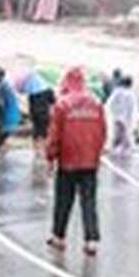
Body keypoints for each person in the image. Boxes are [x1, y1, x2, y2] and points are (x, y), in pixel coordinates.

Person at [46, 67, 108, 257]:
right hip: (90, 161)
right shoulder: (96, 103)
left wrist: (51, 157)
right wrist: (97, 155)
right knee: (89, 201)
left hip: (68, 160)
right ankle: (91, 240)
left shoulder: (62, 105)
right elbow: (103, 133)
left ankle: (59, 236)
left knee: (64, 199)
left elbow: (55, 135)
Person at [105, 75, 139, 158]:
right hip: (127, 117)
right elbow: (133, 107)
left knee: (117, 133)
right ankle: (124, 149)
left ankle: (114, 148)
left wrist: (113, 112)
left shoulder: (117, 92)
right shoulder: (131, 94)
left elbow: (110, 103)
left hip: (117, 116)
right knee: (125, 134)